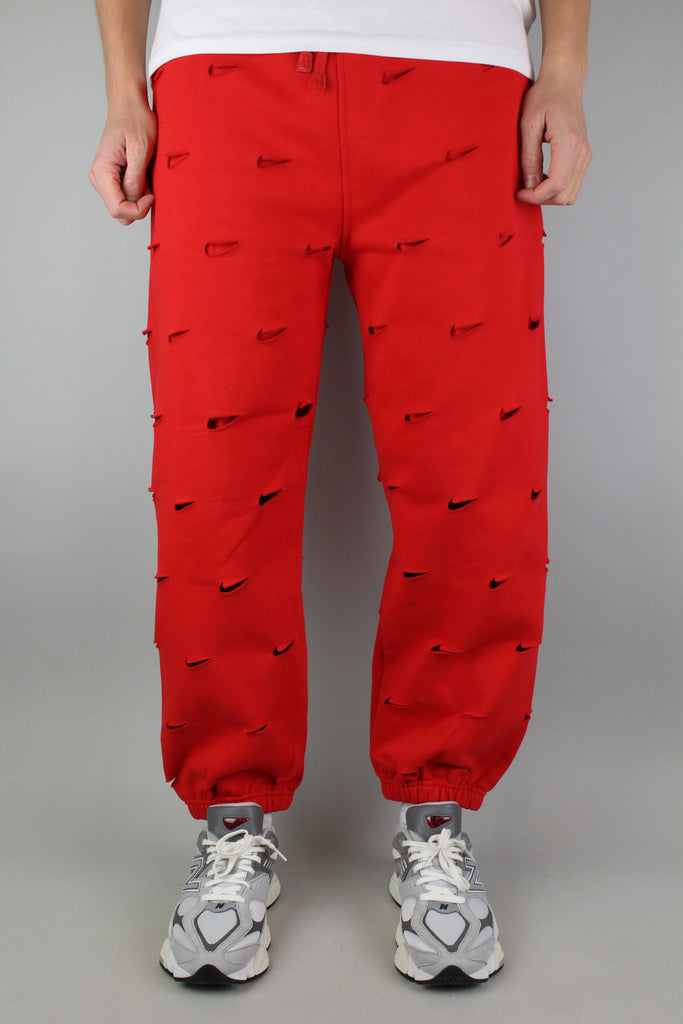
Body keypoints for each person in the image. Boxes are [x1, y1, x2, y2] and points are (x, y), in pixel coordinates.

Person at [89, 0, 591, 989]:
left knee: (474, 474)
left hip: (457, 72)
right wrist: (122, 90)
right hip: (225, 69)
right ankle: (231, 819)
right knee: (213, 477)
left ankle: (437, 816)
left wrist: (565, 69)